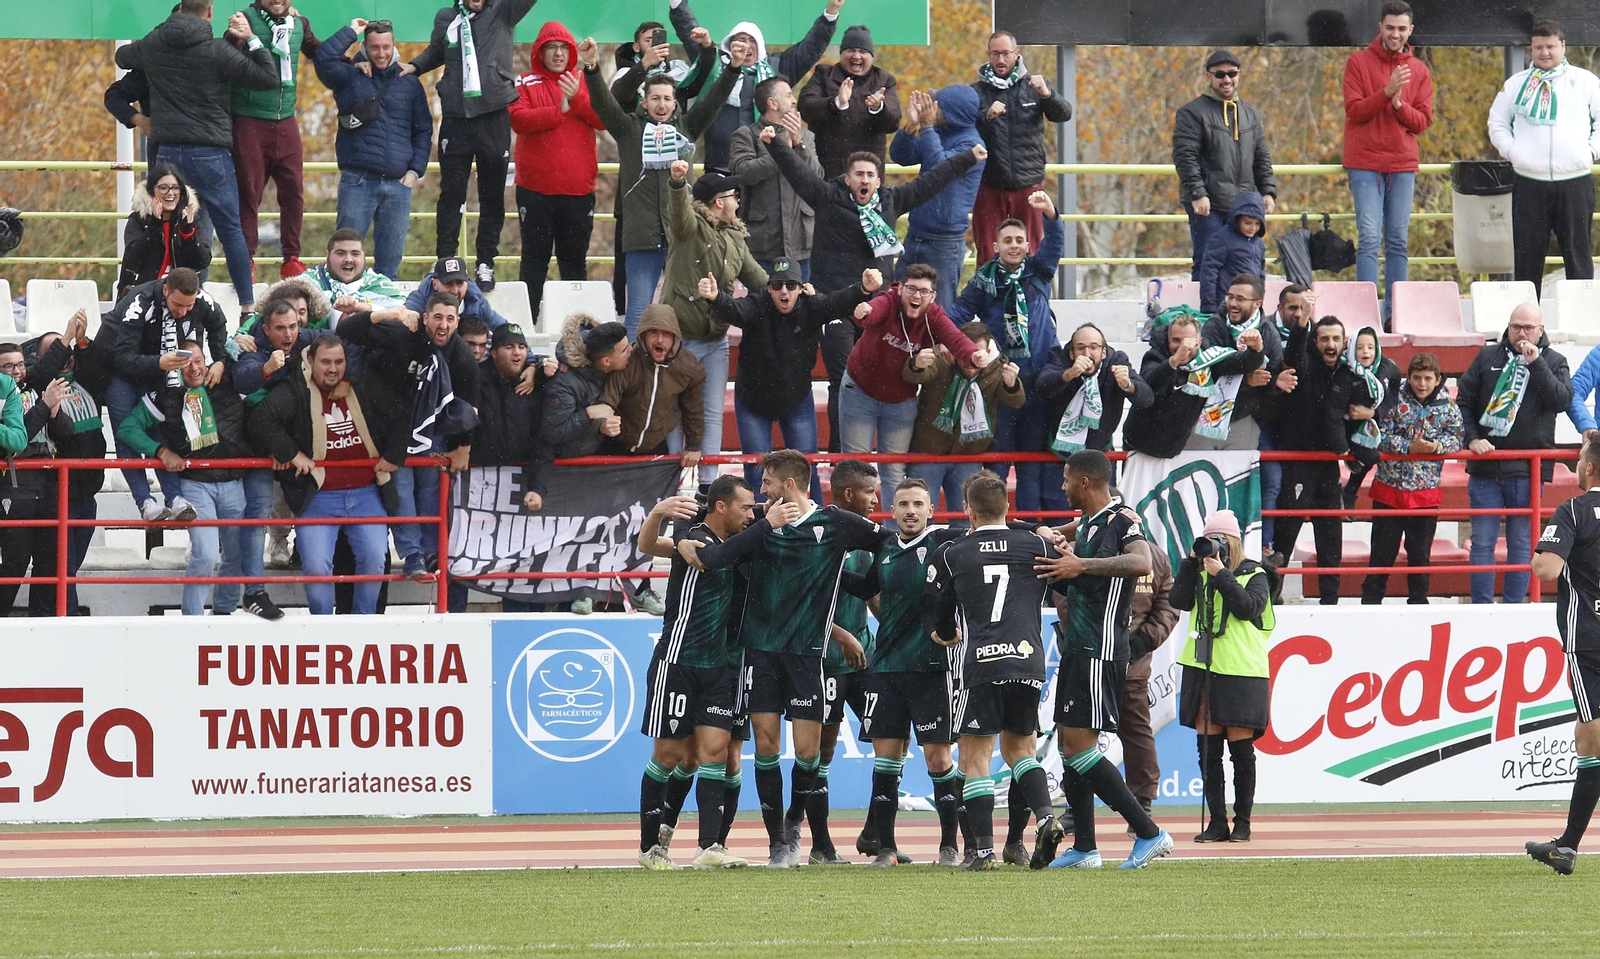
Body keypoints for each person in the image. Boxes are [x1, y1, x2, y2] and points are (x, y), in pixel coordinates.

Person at [677, 449, 883, 868]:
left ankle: (793, 821)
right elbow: (712, 543)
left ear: (789, 485)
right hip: (761, 652)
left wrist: (860, 585)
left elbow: (889, 546)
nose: (761, 490)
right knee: (768, 747)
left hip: (808, 655)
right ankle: (779, 843)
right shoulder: (760, 525)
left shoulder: (835, 523)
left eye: (766, 482)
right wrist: (682, 536)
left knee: (809, 755)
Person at [764, 117, 986, 452]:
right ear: (847, 178)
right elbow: (799, 174)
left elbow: (931, 182)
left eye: (870, 175)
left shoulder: (891, 201)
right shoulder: (827, 196)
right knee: (843, 378)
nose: (864, 180)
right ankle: (843, 457)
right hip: (837, 303)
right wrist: (774, 143)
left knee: (883, 374)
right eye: (859, 175)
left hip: (881, 307)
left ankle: (883, 454)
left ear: (878, 181)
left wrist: (968, 157)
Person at [634, 483, 799, 869]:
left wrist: (766, 518)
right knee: (671, 754)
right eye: (744, 508)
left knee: (715, 753)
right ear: (720, 506)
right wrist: (659, 513)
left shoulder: (736, 537)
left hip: (720, 666)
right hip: (677, 662)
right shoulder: (694, 537)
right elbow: (713, 558)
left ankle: (709, 846)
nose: (750, 514)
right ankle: (649, 848)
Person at [1033, 450, 1173, 870]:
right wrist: (1049, 533)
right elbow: (1060, 530)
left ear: (1085, 483)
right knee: (1071, 744)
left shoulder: (1123, 518)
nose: (1061, 487)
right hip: (1079, 644)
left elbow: (1141, 560)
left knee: (1079, 746)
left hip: (1102, 648)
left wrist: (1081, 565)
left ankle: (1149, 832)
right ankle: (1085, 848)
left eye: (1066, 480)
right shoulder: (1092, 521)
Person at [928, 469, 1067, 871]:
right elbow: (1070, 582)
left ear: (967, 511)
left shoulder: (954, 553)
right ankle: (1045, 817)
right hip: (1027, 659)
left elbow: (941, 618)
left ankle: (985, 852)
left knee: (976, 760)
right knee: (1021, 751)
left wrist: (944, 633)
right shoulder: (1035, 545)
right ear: (1007, 507)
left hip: (982, 663)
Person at [115, 0, 278, 319]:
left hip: (168, 153)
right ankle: (246, 306)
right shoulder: (217, 51)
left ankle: (163, 303)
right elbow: (267, 76)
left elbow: (122, 57)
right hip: (210, 153)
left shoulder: (154, 44)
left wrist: (161, 32)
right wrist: (253, 38)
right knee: (230, 230)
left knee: (163, 229)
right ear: (210, 11)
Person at [578, 35, 742, 336]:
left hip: (682, 235)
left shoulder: (687, 127)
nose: (662, 104)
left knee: (688, 308)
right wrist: (590, 65)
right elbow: (602, 102)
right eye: (655, 98)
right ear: (644, 101)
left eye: (668, 98)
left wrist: (733, 69)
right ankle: (632, 376)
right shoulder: (628, 129)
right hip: (641, 238)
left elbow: (715, 99)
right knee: (639, 312)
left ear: (675, 102)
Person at [840, 478, 964, 867]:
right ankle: (887, 848)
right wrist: (828, 571)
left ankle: (949, 846)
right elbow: (865, 588)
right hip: (886, 669)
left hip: (931, 668)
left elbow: (993, 528)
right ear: (891, 512)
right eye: (903, 504)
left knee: (938, 761)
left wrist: (1039, 529)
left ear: (931, 511)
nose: (910, 511)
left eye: (918, 504)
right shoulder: (886, 548)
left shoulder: (945, 543)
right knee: (886, 763)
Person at [248, 333, 406, 615]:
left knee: (374, 559)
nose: (333, 369)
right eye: (325, 362)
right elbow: (260, 419)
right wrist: (292, 454)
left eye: (339, 362)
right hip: (319, 494)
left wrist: (394, 455)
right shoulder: (296, 387)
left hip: (367, 492)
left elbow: (402, 413)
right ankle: (322, 626)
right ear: (310, 360)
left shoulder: (362, 384)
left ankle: (363, 623)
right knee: (317, 566)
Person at [701, 264, 878, 499]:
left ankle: (818, 530)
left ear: (801, 289)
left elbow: (838, 302)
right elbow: (735, 310)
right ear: (769, 289)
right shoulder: (756, 304)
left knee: (807, 470)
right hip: (753, 400)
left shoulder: (812, 306)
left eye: (791, 285)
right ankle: (759, 529)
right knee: (756, 474)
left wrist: (864, 288)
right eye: (777, 285)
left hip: (796, 399)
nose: (784, 291)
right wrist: (716, 298)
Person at [338, 293, 479, 582]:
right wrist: (385, 314)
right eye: (437, 317)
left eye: (450, 319)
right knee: (401, 491)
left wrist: (464, 446)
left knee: (430, 491)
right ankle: (412, 553)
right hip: (391, 427)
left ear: (457, 322)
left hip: (434, 432)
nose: (443, 325)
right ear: (424, 318)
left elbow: (470, 406)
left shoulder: (461, 353)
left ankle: (432, 551)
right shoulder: (402, 333)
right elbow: (346, 330)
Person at [402, 0, 538, 291]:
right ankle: (445, 261)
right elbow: (438, 51)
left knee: (492, 196)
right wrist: (413, 66)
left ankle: (486, 263)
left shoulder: (503, 11)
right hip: (456, 116)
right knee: (451, 195)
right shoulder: (446, 17)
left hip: (493, 115)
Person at [118, 344, 254, 617]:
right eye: (186, 363)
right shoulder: (166, 396)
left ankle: (224, 613)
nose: (194, 368)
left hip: (234, 482)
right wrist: (161, 451)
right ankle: (191, 620)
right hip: (195, 484)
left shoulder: (227, 382)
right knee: (204, 554)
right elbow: (127, 428)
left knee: (236, 555)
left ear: (208, 361)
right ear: (175, 367)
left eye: (199, 361)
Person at [948, 191, 1064, 513]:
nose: (1014, 245)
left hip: (1039, 381)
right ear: (995, 247)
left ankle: (1026, 525)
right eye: (1007, 240)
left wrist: (1051, 214)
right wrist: (941, 338)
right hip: (1000, 384)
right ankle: (990, 519)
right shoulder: (983, 282)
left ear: (1028, 246)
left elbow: (1055, 244)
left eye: (1019, 240)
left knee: (1030, 463)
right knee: (998, 460)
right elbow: (958, 314)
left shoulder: (1039, 271)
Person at [658, 159, 767, 490]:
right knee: (676, 411)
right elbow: (679, 215)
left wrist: (789, 286)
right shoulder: (689, 229)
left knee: (712, 412)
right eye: (735, 195)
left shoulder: (735, 236)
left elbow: (758, 278)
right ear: (720, 201)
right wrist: (677, 185)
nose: (738, 201)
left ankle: (708, 484)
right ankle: (677, 481)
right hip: (681, 339)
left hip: (716, 337)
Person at [1457, 302, 1572, 604]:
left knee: (1522, 544)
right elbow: (1464, 402)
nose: (1521, 333)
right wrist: (1471, 439)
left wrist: (1536, 364)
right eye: (1515, 327)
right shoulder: (1486, 356)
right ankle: (1481, 607)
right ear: (1507, 327)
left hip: (1527, 468)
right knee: (1482, 542)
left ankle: (1513, 607)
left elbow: (1561, 400)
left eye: (1528, 328)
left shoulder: (1554, 360)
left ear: (1541, 330)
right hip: (1486, 466)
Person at [1170, 509, 1274, 843]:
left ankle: (1243, 821)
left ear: (1232, 543)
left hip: (1242, 670)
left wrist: (1222, 576)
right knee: (1208, 749)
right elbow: (1178, 600)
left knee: (1241, 751)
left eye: (1218, 542)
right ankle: (1217, 821)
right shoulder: (1199, 571)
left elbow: (1247, 607)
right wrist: (1190, 563)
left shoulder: (1254, 573)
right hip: (1203, 668)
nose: (1212, 549)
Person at [1527, 430, 1600, 875]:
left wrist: (1545, 558)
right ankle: (1568, 845)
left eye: (1579, 458)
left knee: (1592, 739)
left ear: (1589, 466)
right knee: (1585, 737)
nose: (1576, 464)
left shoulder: (1573, 510)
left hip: (1588, 639)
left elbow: (1547, 566)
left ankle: (1569, 847)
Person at [843, 267, 986, 491]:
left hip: (901, 400)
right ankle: (851, 525)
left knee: (894, 471)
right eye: (911, 289)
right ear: (900, 288)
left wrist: (973, 355)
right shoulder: (888, 301)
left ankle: (894, 526)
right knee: (855, 468)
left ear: (933, 297)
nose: (916, 296)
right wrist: (865, 311)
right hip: (860, 391)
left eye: (923, 291)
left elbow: (956, 338)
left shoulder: (935, 316)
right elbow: (872, 313)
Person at [107, 269, 232, 523]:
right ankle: (145, 502)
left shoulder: (202, 301)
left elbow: (218, 324)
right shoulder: (139, 303)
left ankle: (174, 498)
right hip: (119, 373)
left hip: (161, 369)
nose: (183, 311)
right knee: (127, 435)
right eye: (177, 304)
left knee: (162, 428)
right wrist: (158, 363)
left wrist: (219, 359)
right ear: (165, 290)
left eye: (189, 306)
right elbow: (122, 358)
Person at [1488, 20, 1600, 297]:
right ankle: (1527, 326)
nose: (1545, 53)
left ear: (1563, 46)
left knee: (1578, 257)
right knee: (1527, 259)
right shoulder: (1516, 85)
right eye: (1539, 47)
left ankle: (1582, 320)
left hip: (1574, 181)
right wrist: (1515, 153)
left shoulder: (1585, 81)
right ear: (1531, 49)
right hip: (1530, 183)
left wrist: (1589, 152)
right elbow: (1497, 124)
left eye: (1550, 46)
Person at [316, 18, 433, 281]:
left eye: (386, 47)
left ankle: (385, 320)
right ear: (364, 47)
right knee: (343, 261)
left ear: (395, 46)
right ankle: (341, 317)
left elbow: (423, 130)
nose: (382, 53)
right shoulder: (350, 76)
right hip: (358, 181)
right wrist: (350, 31)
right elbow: (323, 59)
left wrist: (415, 172)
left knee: (390, 264)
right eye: (375, 47)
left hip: (398, 185)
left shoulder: (410, 83)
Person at [666, 0, 844, 173]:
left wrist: (831, 12)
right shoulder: (715, 67)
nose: (747, 45)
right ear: (730, 45)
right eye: (741, 39)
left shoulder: (777, 67)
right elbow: (692, 37)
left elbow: (810, 48)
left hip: (765, 164)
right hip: (719, 164)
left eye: (752, 40)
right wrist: (678, 4)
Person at [452, 322, 555, 613]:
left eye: (522, 347)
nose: (517, 353)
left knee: (522, 563)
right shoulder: (474, 378)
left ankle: (522, 627)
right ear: (493, 352)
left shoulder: (534, 385)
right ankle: (455, 621)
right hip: (472, 492)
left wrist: (537, 486)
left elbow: (543, 441)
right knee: (462, 558)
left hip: (518, 491)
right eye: (510, 347)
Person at [510, 22, 605, 322]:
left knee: (574, 263)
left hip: (578, 192)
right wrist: (558, 111)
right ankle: (526, 325)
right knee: (534, 262)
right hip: (535, 191)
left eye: (564, 47)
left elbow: (603, 120)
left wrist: (576, 98)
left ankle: (577, 329)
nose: (559, 53)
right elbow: (518, 120)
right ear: (540, 51)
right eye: (552, 47)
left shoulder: (584, 79)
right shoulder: (524, 81)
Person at [810, 459, 880, 865]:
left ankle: (874, 834)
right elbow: (799, 600)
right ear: (849, 494)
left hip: (865, 658)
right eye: (870, 492)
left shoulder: (868, 538)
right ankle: (820, 845)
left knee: (892, 739)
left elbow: (872, 597)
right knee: (824, 750)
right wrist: (841, 634)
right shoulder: (817, 533)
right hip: (826, 660)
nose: (876, 500)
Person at [1343, 1, 1433, 313]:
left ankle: (1397, 311)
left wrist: (1397, 104)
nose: (1395, 34)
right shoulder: (1357, 62)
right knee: (1369, 237)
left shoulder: (1419, 71)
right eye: (1390, 27)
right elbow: (1354, 110)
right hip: (1364, 163)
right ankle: (1366, 311)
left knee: (1397, 240)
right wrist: (1386, 93)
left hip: (1401, 165)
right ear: (1380, 27)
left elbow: (1421, 121)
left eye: (1401, 28)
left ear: (1410, 31)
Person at [228, 0, 320, 280]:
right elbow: (226, 62)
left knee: (294, 191)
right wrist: (233, 36)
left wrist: (355, 58)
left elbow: (320, 53)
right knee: (249, 193)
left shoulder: (299, 23)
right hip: (250, 118)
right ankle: (247, 258)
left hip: (286, 119)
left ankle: (292, 258)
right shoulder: (244, 19)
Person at [1362, 351, 1463, 604]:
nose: (1421, 384)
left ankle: (1419, 603)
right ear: (1409, 377)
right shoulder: (1393, 399)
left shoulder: (1449, 405)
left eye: (1428, 378)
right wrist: (1408, 448)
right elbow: (1378, 434)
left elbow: (1457, 437)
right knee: (1382, 555)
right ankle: (1370, 605)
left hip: (1425, 494)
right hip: (1390, 490)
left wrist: (1436, 447)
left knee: (1420, 556)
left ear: (1438, 379)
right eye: (1417, 377)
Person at [233, 297, 312, 615]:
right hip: (256, 448)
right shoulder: (250, 346)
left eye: (293, 326)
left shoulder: (307, 339)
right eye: (280, 328)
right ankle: (253, 592)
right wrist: (268, 368)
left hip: (295, 448)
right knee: (256, 516)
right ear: (267, 329)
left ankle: (312, 569)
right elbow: (243, 380)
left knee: (315, 505)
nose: (288, 334)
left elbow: (341, 339)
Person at [28, 313, 110, 617]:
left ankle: (48, 615)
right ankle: (67, 619)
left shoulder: (88, 384)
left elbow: (98, 371)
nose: (63, 359)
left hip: (88, 494)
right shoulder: (38, 391)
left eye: (66, 354)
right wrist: (63, 340)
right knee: (61, 567)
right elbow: (41, 374)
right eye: (54, 354)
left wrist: (82, 340)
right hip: (57, 494)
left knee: (68, 567)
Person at [903, 321, 1025, 522]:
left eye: (977, 356)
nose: (970, 363)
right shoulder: (941, 356)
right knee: (921, 518)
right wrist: (916, 364)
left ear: (988, 351)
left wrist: (1012, 384)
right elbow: (913, 375)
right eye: (965, 355)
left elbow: (1015, 401)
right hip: (928, 451)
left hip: (969, 455)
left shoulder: (998, 366)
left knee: (966, 519)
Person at [1269, 316, 1354, 604]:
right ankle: (1269, 599)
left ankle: (1330, 601)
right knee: (1285, 534)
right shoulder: (1304, 363)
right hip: (1297, 462)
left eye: (1336, 339)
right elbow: (1293, 355)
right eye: (1324, 339)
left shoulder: (1349, 371)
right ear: (1315, 343)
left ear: (1344, 343)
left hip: (1328, 464)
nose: (1330, 345)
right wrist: (1302, 322)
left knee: (1331, 535)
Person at [1173, 50, 1277, 280]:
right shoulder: (1191, 113)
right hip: (1208, 204)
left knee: (1244, 261)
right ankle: (1206, 314)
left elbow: (1262, 155)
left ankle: (1241, 313)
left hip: (1244, 205)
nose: (1227, 79)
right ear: (1209, 77)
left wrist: (1268, 191)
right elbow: (1185, 157)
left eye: (1232, 73)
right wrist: (1197, 193)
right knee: (1207, 261)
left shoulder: (1249, 113)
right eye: (1220, 74)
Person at [1121, 303, 1268, 460]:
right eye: (1176, 340)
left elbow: (1242, 363)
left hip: (1174, 449)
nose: (1182, 346)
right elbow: (1153, 386)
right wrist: (1175, 360)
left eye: (1188, 341)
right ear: (1167, 340)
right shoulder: (1156, 356)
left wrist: (1256, 349)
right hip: (1138, 445)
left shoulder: (1208, 359)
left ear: (1198, 343)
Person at [971, 31, 1073, 253]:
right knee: (989, 251)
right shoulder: (976, 91)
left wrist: (1047, 94)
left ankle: (1027, 289)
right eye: (995, 54)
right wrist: (986, 117)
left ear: (1017, 54)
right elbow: (966, 131)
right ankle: (990, 288)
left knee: (1029, 249)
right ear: (988, 55)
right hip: (989, 182)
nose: (1000, 60)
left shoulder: (1034, 85)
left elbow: (1063, 114)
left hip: (1028, 182)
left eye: (1006, 54)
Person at [890, 85, 986, 307]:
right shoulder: (938, 132)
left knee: (939, 310)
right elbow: (900, 155)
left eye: (938, 106)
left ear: (954, 110)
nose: (932, 110)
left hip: (945, 243)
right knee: (895, 301)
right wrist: (911, 126)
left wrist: (927, 127)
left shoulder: (972, 144)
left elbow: (939, 167)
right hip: (916, 235)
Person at [1037, 322, 1153, 496]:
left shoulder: (1116, 362)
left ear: (1103, 352)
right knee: (1057, 516)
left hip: (1100, 454)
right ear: (1071, 352)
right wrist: (1069, 374)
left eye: (1094, 347)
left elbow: (1147, 398)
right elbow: (1043, 386)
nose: (1087, 354)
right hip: (1059, 456)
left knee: (1103, 515)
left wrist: (1128, 385)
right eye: (1080, 348)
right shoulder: (1060, 359)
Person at [730, 77, 822, 278]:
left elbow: (817, 178)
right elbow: (743, 173)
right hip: (762, 243)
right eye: (788, 95)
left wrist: (798, 145)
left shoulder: (806, 137)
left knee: (800, 304)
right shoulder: (746, 135)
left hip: (801, 243)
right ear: (772, 103)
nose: (794, 101)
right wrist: (782, 150)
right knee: (759, 303)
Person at [0, 343, 65, 617]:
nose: (17, 371)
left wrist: (54, 411)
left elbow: (66, 433)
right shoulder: (4, 396)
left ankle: (43, 622)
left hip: (48, 484)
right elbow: (16, 442)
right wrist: (43, 407)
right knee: (15, 563)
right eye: (9, 366)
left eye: (20, 364)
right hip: (15, 485)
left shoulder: (38, 389)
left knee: (49, 563)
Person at [595, 303, 704, 466]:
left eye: (666, 334)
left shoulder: (688, 367)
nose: (660, 340)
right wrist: (603, 423)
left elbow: (693, 409)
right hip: (615, 444)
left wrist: (694, 446)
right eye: (653, 333)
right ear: (643, 335)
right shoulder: (627, 361)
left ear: (675, 337)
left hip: (656, 448)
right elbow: (608, 399)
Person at [1116, 539, 1178, 826]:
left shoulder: (1085, 543)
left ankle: (1141, 803)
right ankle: (1141, 803)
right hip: (1116, 659)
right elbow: (1168, 607)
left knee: (1080, 733)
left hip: (1117, 661)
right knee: (1135, 733)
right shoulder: (1156, 554)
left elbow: (1169, 605)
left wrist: (1140, 643)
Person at [1188, 274, 1282, 453]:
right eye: (1230, 297)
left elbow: (1271, 378)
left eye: (1240, 299)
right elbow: (1212, 369)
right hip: (1203, 419)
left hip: (1242, 420)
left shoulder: (1268, 332)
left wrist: (1275, 381)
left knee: (1238, 480)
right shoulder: (1215, 325)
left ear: (1257, 304)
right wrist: (1248, 379)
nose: (1232, 303)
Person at [798, 25, 901, 178]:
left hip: (867, 175)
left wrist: (879, 108)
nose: (856, 56)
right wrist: (836, 103)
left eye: (863, 51)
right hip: (827, 172)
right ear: (841, 54)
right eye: (850, 50)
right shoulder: (824, 75)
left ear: (871, 57)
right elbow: (805, 107)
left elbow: (893, 122)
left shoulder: (884, 80)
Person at [1258, 284, 1317, 547]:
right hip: (1264, 420)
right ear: (1279, 307)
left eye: (1302, 308)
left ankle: (1279, 554)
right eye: (1292, 308)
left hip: (1296, 425)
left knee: (1292, 492)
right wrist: (1274, 381)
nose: (1297, 313)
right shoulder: (1263, 329)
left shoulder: (1314, 332)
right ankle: (1266, 544)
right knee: (1272, 482)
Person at [117, 165, 211, 300]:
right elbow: (133, 261)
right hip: (143, 295)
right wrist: (154, 226)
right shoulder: (138, 220)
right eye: (163, 187)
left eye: (175, 187)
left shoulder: (190, 219)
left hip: (181, 297)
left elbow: (202, 261)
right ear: (151, 191)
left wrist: (187, 234)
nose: (170, 193)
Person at [1342, 325, 1403, 508]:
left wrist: (1375, 413)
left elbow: (1394, 386)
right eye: (1359, 347)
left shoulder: (1387, 366)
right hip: (1344, 423)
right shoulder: (1344, 368)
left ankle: (1349, 491)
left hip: (1370, 422)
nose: (1365, 352)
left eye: (1370, 347)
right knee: (1369, 456)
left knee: (1371, 455)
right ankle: (1347, 490)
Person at [611, 21, 714, 113]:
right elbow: (619, 96)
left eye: (658, 39)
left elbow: (706, 79)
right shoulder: (626, 72)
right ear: (636, 47)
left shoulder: (677, 69)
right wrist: (644, 64)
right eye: (647, 40)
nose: (653, 44)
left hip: (674, 130)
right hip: (638, 130)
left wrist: (707, 46)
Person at [310, 229, 406, 320]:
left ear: (364, 256)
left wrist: (364, 307)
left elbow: (404, 312)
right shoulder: (308, 281)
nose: (348, 259)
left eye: (355, 254)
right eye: (340, 253)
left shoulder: (380, 285)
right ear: (328, 255)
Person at [1197, 192, 1267, 315]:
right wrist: (1209, 305)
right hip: (1226, 303)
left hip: (1250, 303)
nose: (1253, 228)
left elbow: (1261, 273)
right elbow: (1209, 272)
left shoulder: (1258, 243)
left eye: (1257, 224)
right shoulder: (1222, 238)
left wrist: (1260, 298)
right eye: (1248, 223)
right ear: (1237, 219)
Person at [404, 256, 509, 329]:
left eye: (459, 283)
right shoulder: (420, 299)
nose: (454, 291)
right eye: (448, 283)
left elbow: (506, 330)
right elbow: (402, 318)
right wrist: (408, 317)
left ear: (467, 284)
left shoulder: (477, 304)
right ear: (434, 284)